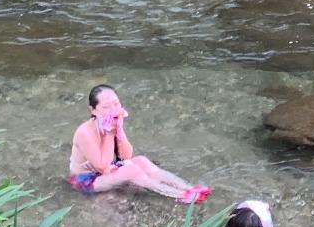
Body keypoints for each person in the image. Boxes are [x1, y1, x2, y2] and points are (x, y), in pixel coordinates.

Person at [68, 84, 212, 203]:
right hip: (86, 180)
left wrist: (119, 131)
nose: (113, 110)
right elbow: (102, 167)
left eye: (116, 104)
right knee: (132, 171)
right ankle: (179, 195)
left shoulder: (112, 123)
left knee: (141, 161)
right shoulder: (84, 132)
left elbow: (126, 156)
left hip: (106, 171)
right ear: (93, 110)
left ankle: (188, 188)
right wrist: (110, 134)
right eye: (106, 107)